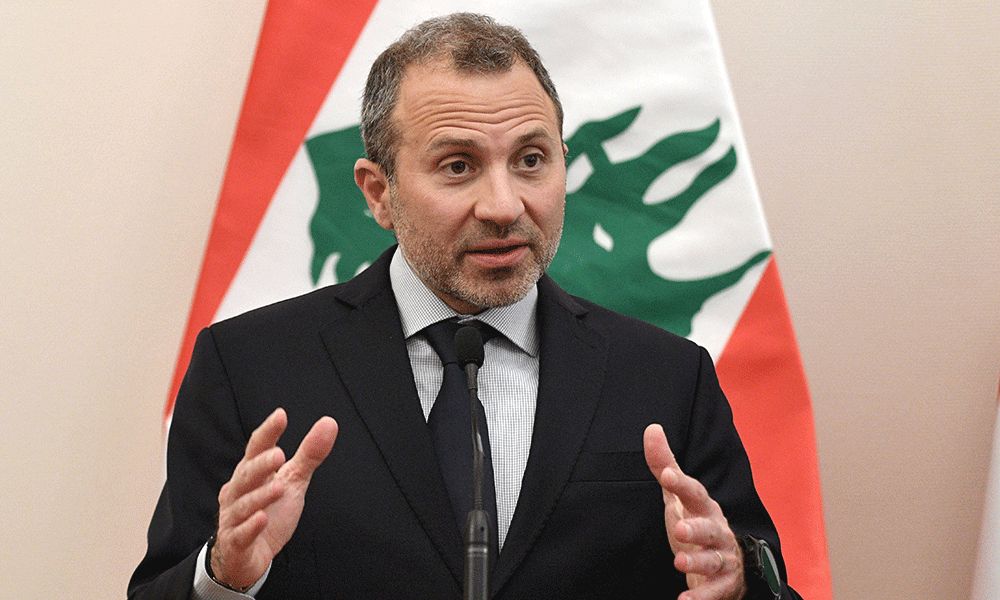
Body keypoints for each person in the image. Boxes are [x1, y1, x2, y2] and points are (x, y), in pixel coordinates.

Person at [129, 13, 801, 600]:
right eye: (458, 166)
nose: (504, 205)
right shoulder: (249, 368)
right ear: (378, 193)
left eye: (531, 160)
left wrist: (735, 583)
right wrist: (225, 578)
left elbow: (759, 578)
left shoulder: (668, 378)